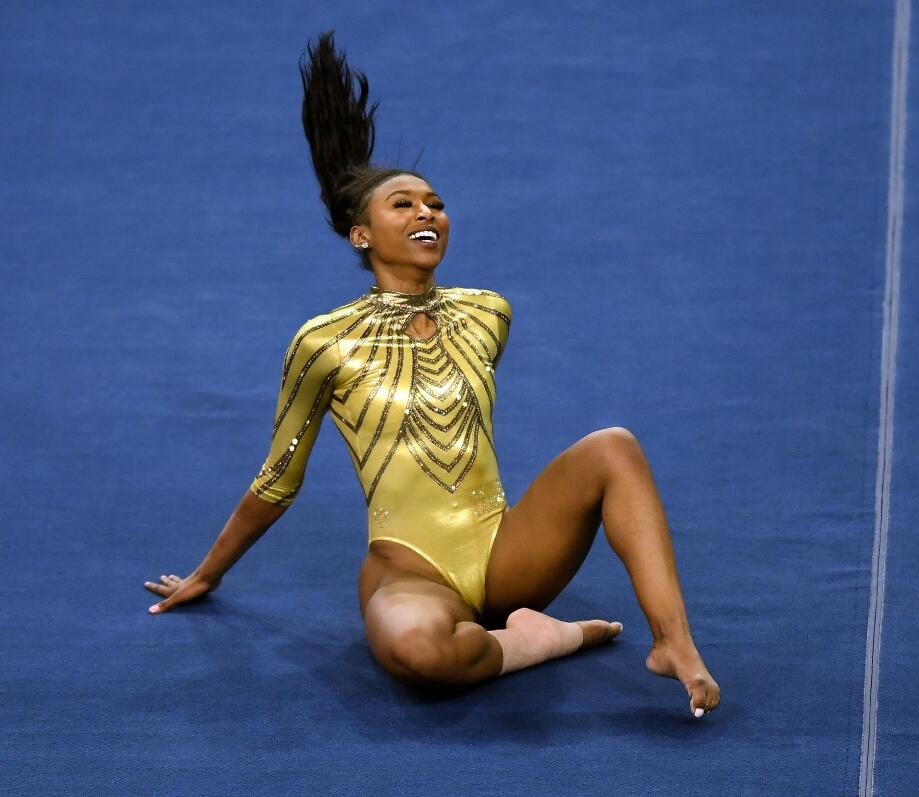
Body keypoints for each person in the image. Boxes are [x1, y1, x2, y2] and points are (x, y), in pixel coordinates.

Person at [142, 31, 720, 718]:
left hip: (507, 553)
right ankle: (540, 641)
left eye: (435, 203)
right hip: (409, 567)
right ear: (362, 235)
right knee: (421, 655)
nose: (427, 213)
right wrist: (209, 572)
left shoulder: (486, 313)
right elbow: (279, 478)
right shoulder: (324, 342)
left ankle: (672, 642)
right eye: (405, 204)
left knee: (613, 446)